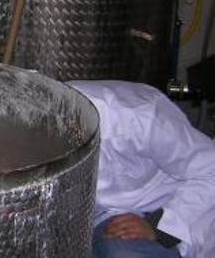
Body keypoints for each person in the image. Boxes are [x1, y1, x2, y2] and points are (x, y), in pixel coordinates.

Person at [69, 80, 215, 258]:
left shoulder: (136, 114)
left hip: (170, 204)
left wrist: (158, 226)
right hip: (101, 215)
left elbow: (210, 169)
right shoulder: (36, 127)